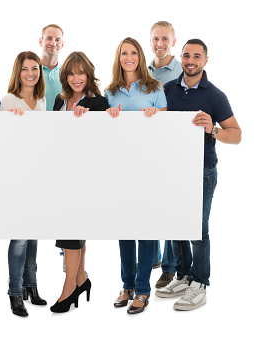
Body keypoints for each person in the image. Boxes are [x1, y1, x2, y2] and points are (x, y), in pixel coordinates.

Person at [155, 39, 241, 311]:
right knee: (176, 225)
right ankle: (182, 276)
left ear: (205, 60)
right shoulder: (167, 89)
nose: (190, 61)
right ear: (180, 58)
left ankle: (200, 283)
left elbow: (236, 135)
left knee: (198, 230)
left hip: (202, 171)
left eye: (197, 56)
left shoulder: (215, 95)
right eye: (186, 56)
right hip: (173, 171)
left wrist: (212, 129)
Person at [105, 37, 167, 314]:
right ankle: (127, 285)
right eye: (123, 53)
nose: (128, 57)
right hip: (119, 169)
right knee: (125, 230)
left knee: (145, 229)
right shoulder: (111, 92)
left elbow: (167, 129)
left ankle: (142, 290)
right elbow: (104, 131)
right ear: (118, 58)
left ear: (140, 57)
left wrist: (157, 113)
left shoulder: (155, 88)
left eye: (133, 53)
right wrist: (108, 114)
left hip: (149, 168)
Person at [50, 51, 109, 313]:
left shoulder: (98, 102)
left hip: (85, 174)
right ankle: (81, 279)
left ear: (89, 75)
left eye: (81, 73)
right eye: (71, 73)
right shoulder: (58, 100)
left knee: (70, 227)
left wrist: (88, 116)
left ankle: (69, 286)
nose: (76, 78)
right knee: (74, 225)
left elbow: (103, 138)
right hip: (62, 170)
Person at [0, 51, 47, 317]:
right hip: (16, 177)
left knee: (33, 236)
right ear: (18, 71)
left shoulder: (42, 100)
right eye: (25, 69)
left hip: (37, 175)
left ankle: (31, 286)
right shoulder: (9, 100)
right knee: (20, 237)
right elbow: (2, 142)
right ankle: (14, 292)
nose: (30, 73)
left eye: (34, 68)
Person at [148, 21, 183, 289]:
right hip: (149, 146)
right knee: (152, 202)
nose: (160, 44)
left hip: (173, 145)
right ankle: (157, 256)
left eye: (164, 39)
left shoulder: (182, 70)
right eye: (155, 39)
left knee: (172, 206)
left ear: (172, 41)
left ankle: (170, 268)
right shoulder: (144, 70)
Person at [40, 24, 64, 111]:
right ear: (40, 41)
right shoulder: (30, 72)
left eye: (57, 40)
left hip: (63, 123)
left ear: (62, 44)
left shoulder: (68, 73)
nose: (53, 43)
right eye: (49, 38)